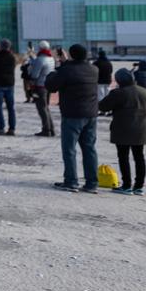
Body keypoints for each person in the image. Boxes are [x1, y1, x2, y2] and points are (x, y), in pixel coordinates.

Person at [46, 44, 100, 193]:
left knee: (69, 149)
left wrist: (56, 68)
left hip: (72, 114)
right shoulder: (93, 69)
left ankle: (71, 181)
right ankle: (92, 183)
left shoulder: (66, 70)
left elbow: (51, 86)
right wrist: (66, 63)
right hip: (91, 114)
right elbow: (76, 71)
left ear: (71, 55)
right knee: (89, 148)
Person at [101, 68, 146, 196]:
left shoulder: (119, 93)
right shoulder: (144, 91)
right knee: (139, 157)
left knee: (123, 157)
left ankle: (127, 185)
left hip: (123, 128)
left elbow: (103, 106)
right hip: (141, 129)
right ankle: (139, 186)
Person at [29, 42, 56, 136]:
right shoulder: (51, 58)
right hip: (48, 85)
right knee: (46, 107)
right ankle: (51, 128)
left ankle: (46, 129)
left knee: (42, 108)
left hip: (40, 86)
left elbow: (35, 74)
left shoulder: (40, 59)